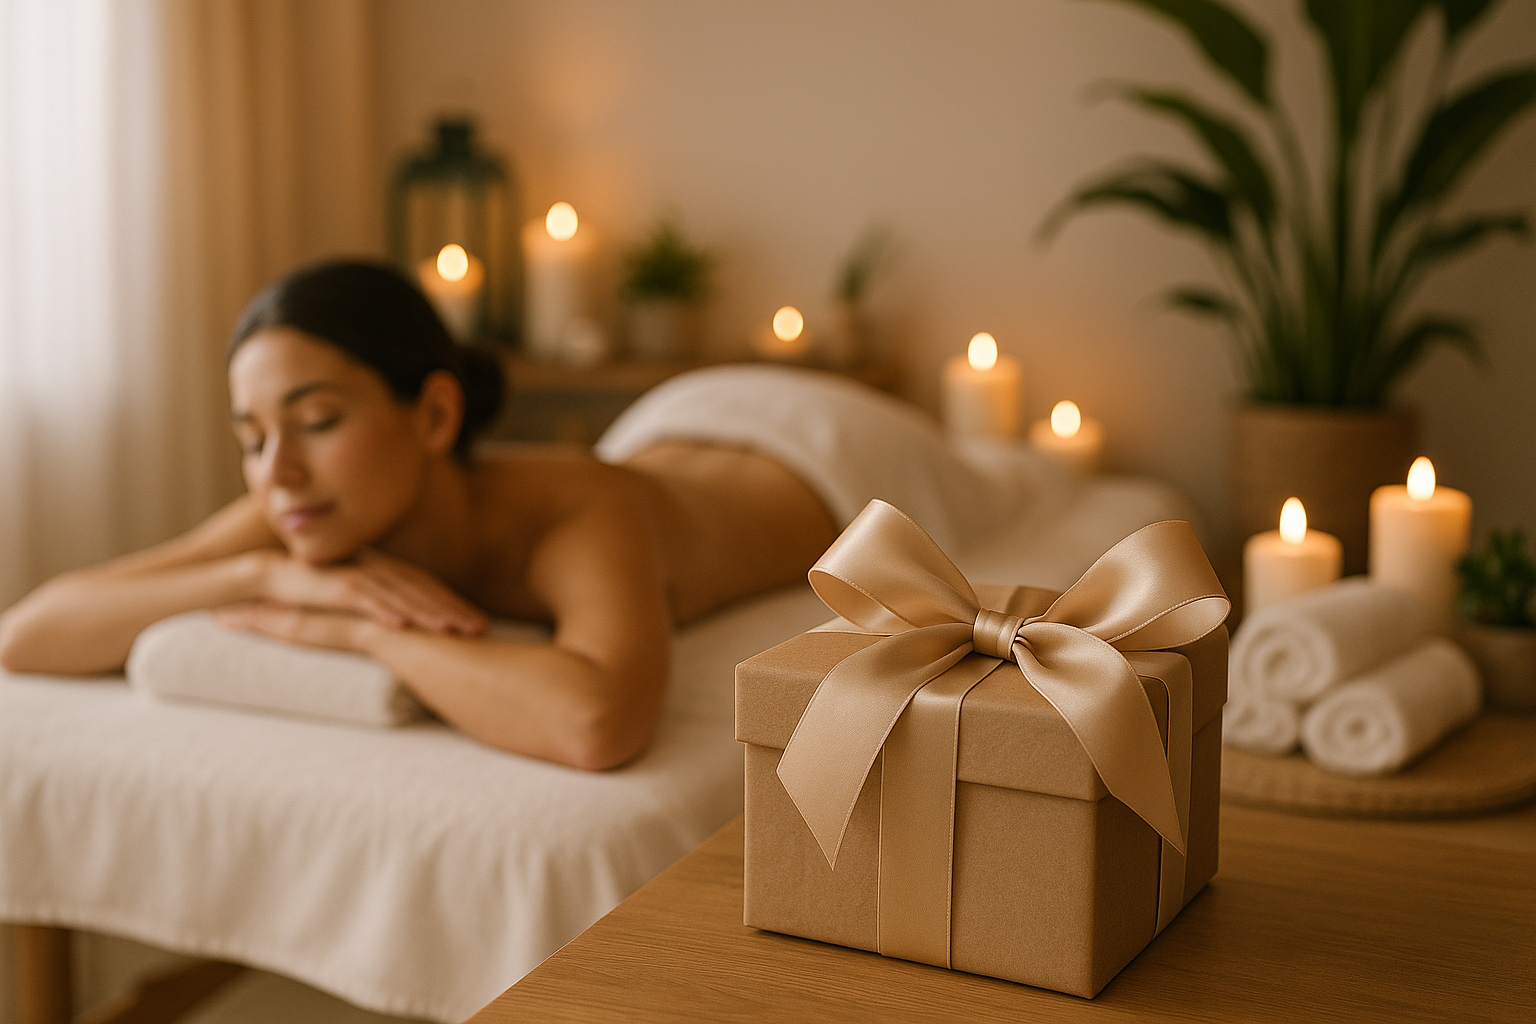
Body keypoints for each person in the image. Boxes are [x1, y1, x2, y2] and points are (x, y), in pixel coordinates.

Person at [0, 261, 839, 770]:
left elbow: (595, 723)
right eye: (251, 438)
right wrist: (265, 572)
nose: (277, 471)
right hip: (668, 429)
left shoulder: (583, 507)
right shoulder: (301, 510)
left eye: (319, 420)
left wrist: (362, 631)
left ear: (435, 416)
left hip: (818, 450)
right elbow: (28, 634)